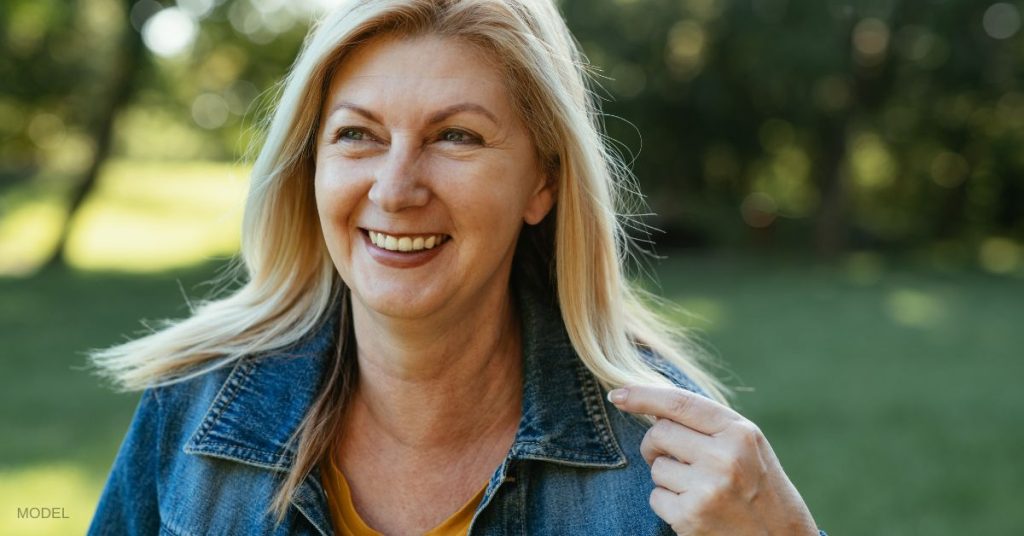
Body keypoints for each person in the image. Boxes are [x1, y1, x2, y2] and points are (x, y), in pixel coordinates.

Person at [87, 1, 827, 534]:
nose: (395, 188)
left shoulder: (666, 463)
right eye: (357, 135)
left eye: (456, 135)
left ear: (544, 182)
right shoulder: (193, 414)